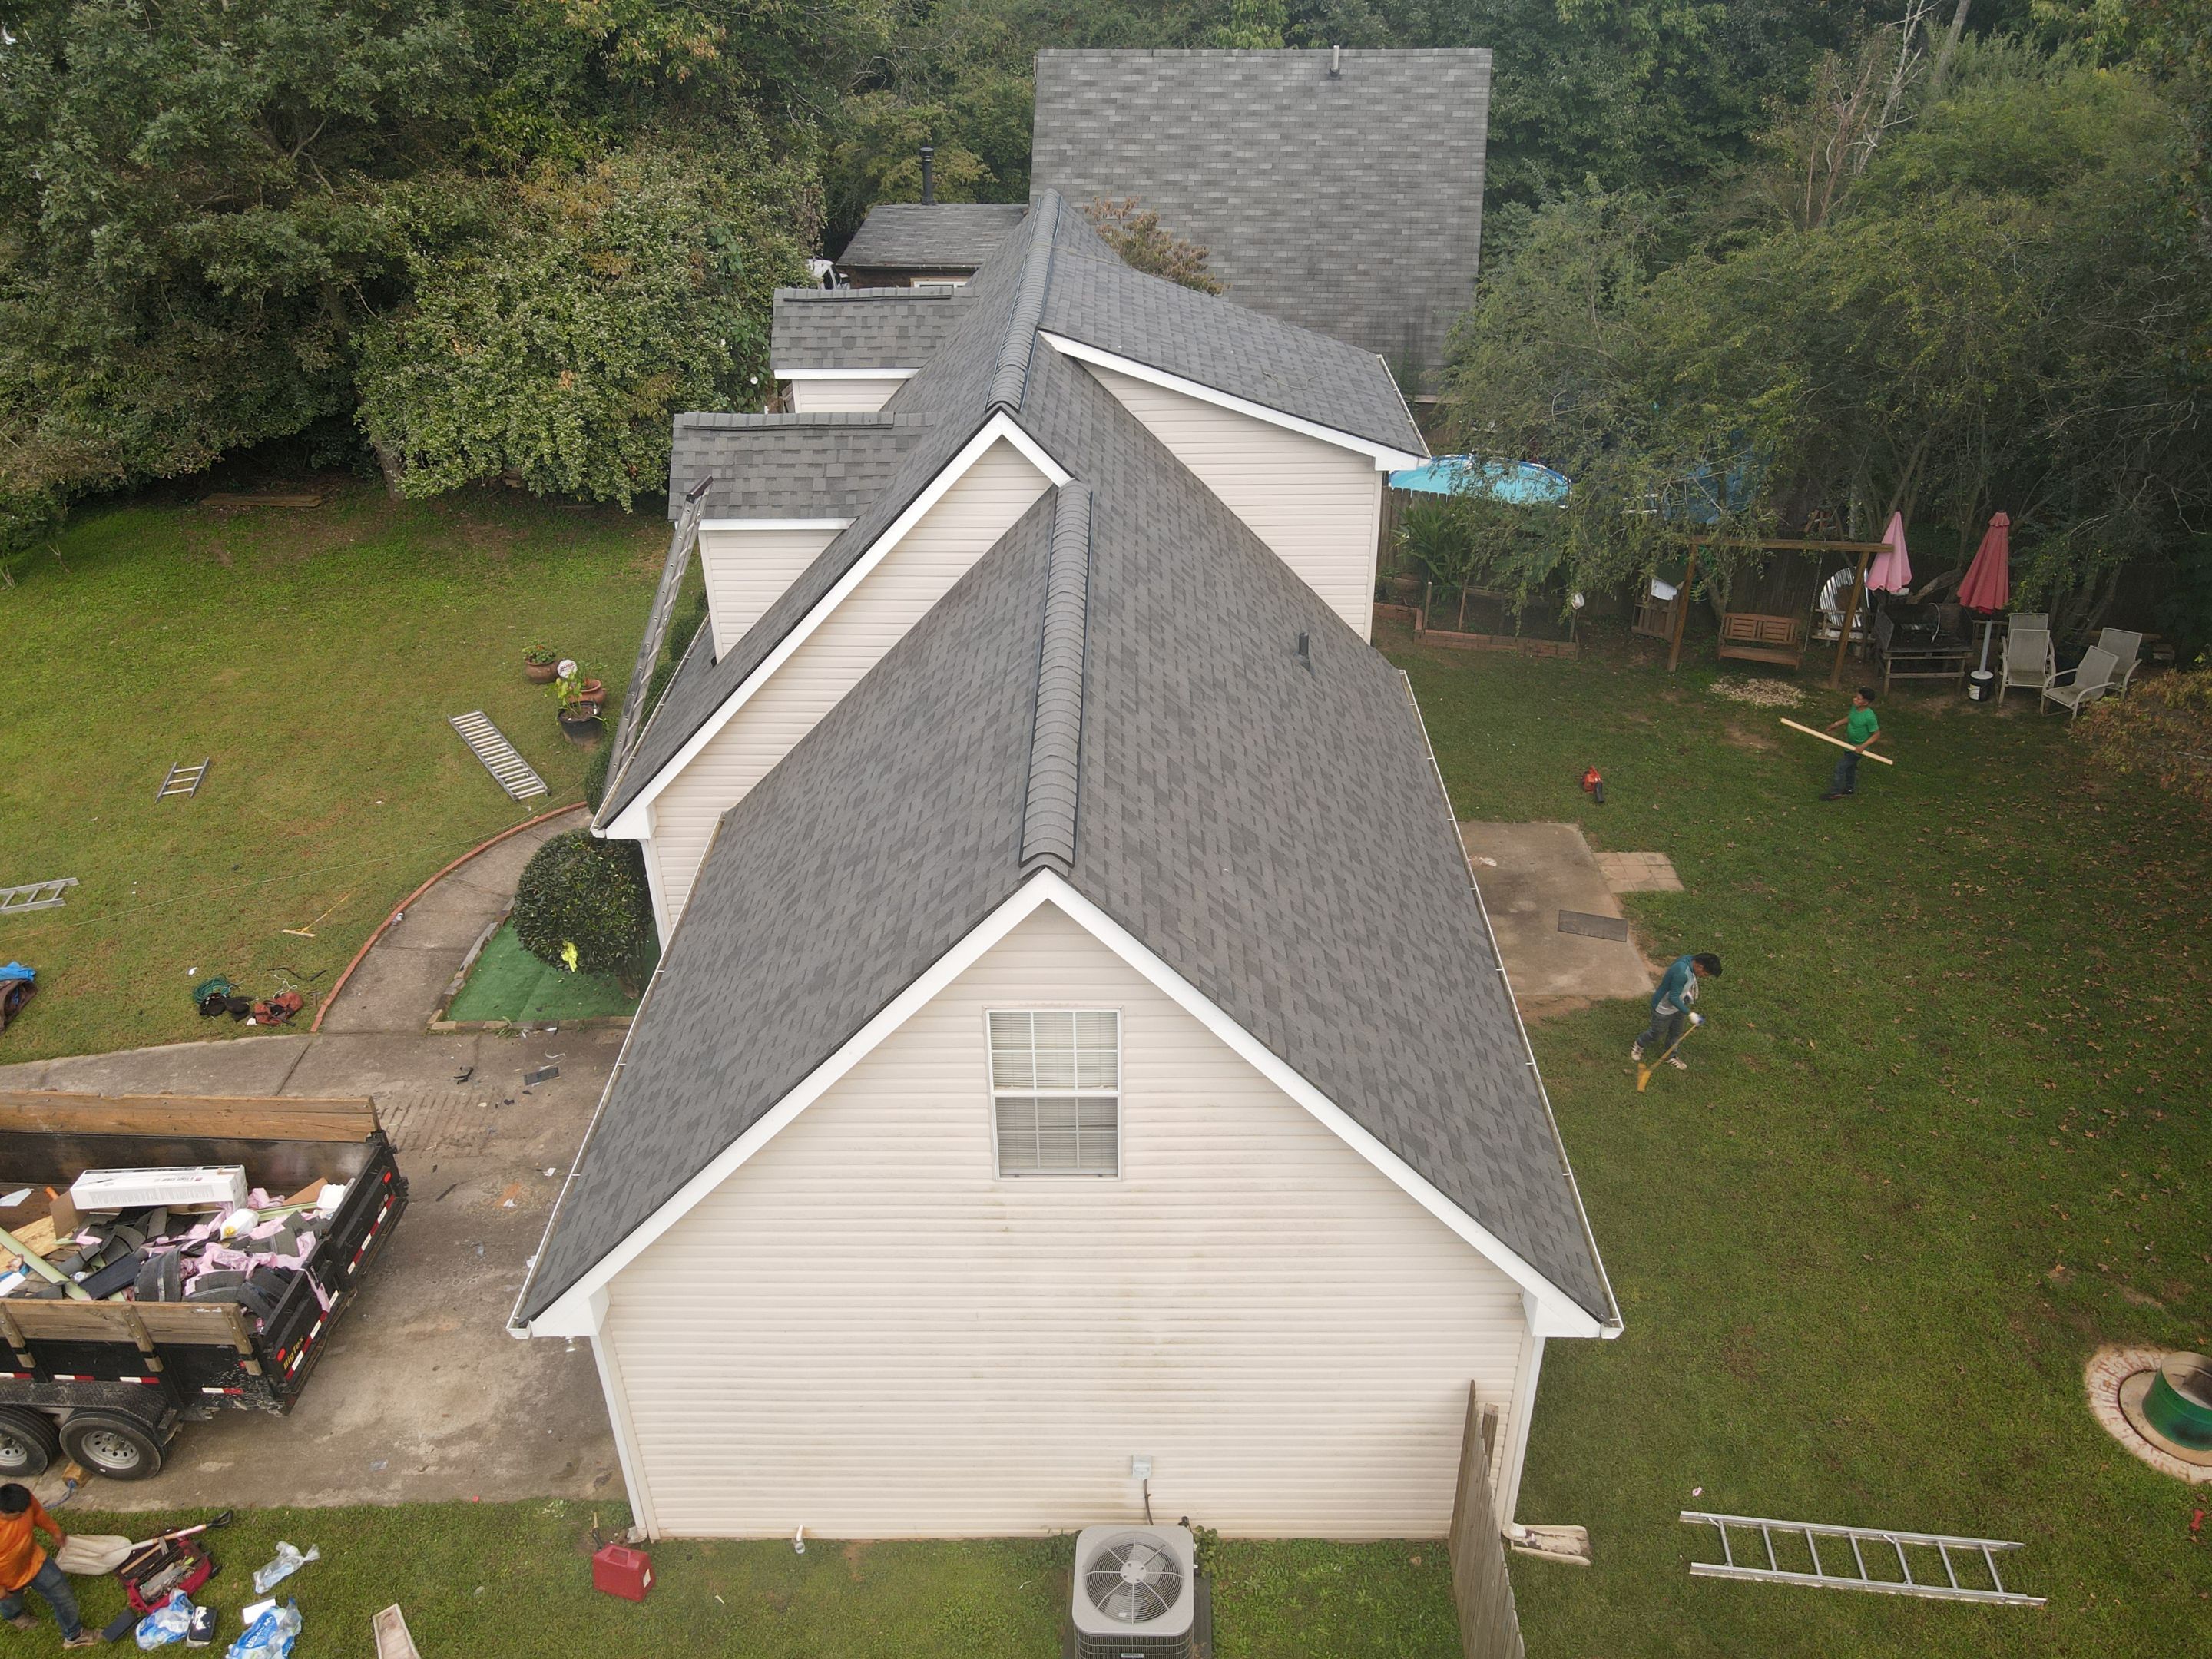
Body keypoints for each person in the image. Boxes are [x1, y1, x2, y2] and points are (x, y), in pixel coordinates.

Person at [0, 1482, 94, 1646]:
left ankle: (74, 1635)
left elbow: (37, 1513)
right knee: (10, 1603)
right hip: (7, 1580)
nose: (23, 1515)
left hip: (35, 1561)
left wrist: (55, 1530)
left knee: (63, 1596)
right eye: (18, 1515)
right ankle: (14, 1616)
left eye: (25, 1511)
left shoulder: (24, 1501)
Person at [1633, 952, 1721, 1069]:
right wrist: (1691, 1014)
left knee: (1676, 1032)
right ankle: (1639, 1044)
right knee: (1657, 1033)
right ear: (1700, 966)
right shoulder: (1682, 972)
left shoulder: (1689, 960)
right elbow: (1673, 998)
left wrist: (1686, 994)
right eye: (1705, 974)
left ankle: (1670, 1056)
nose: (1704, 977)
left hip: (1679, 1005)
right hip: (1663, 1007)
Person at [1820, 686, 1883, 800]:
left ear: (1865, 703)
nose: (1855, 700)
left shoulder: (1869, 717)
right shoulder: (1855, 708)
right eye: (1856, 697)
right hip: (1850, 744)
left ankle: (1835, 792)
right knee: (1850, 768)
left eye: (1858, 699)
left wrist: (1863, 746)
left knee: (1840, 767)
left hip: (1858, 749)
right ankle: (1849, 788)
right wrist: (1836, 724)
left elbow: (1876, 734)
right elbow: (1850, 718)